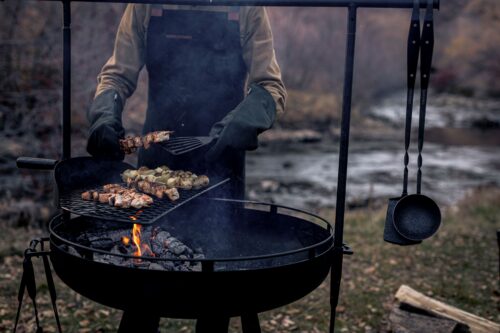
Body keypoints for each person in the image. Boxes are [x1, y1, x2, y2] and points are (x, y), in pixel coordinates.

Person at [85, 3, 286, 333]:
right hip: (156, 160)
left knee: (215, 285)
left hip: (222, 157)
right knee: (145, 274)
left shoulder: (247, 7)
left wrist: (240, 123)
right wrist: (105, 114)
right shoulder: (146, 5)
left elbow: (269, 85)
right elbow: (116, 75)